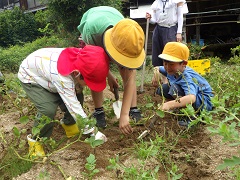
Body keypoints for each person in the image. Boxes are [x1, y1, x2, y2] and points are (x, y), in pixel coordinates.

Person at [18, 45, 109, 157]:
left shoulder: (83, 59)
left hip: (49, 74)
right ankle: (36, 142)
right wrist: (93, 132)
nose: (89, 86)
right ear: (76, 74)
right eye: (89, 82)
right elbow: (73, 105)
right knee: (47, 110)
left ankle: (69, 124)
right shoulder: (62, 76)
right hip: (32, 77)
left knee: (78, 95)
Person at [78, 6, 145, 135]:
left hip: (113, 18)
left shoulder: (130, 36)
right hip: (93, 23)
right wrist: (108, 75)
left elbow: (130, 77)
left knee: (129, 71)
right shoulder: (92, 33)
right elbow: (95, 65)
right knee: (96, 72)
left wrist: (124, 114)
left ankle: (133, 108)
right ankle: (99, 111)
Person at [152, 42, 213, 126]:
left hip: (203, 101)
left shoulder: (186, 77)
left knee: (174, 89)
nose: (167, 67)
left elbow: (191, 98)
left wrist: (169, 105)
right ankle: (179, 108)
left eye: (171, 64)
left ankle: (192, 116)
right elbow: (158, 68)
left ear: (184, 64)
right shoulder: (172, 69)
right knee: (163, 89)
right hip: (191, 96)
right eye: (165, 63)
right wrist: (156, 73)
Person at [146, 0, 188, 67]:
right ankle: (159, 74)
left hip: (170, 29)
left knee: (170, 54)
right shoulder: (156, 2)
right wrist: (150, 18)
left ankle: (171, 74)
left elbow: (180, 16)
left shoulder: (176, 1)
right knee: (157, 54)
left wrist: (179, 32)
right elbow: (154, 21)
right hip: (158, 29)